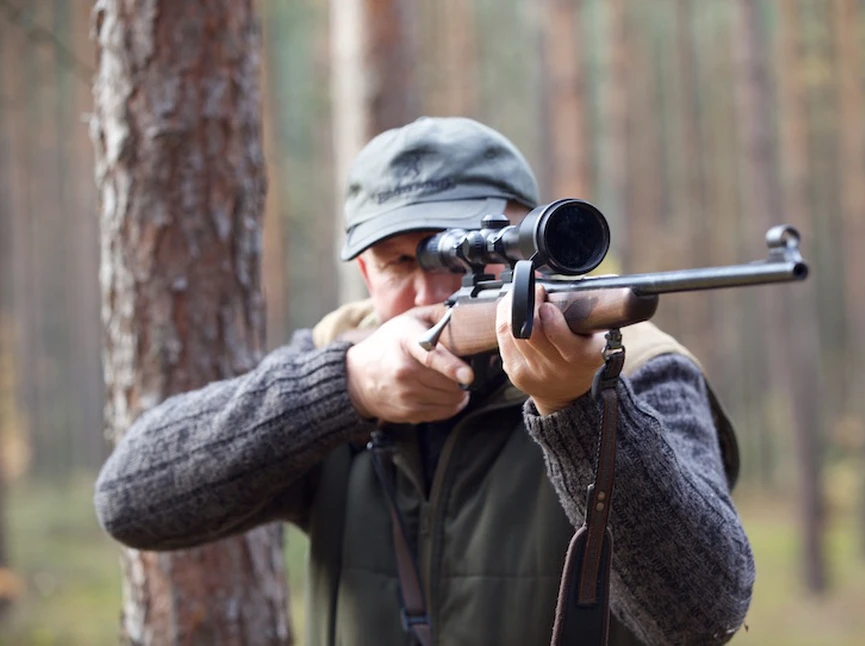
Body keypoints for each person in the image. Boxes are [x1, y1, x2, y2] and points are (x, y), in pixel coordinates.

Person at [94, 116, 754, 645]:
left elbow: (702, 618)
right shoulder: (344, 353)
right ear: (363, 273)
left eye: (468, 252)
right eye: (398, 262)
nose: (430, 292)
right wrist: (342, 391)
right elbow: (131, 501)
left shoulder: (638, 366)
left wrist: (574, 411)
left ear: (529, 245)